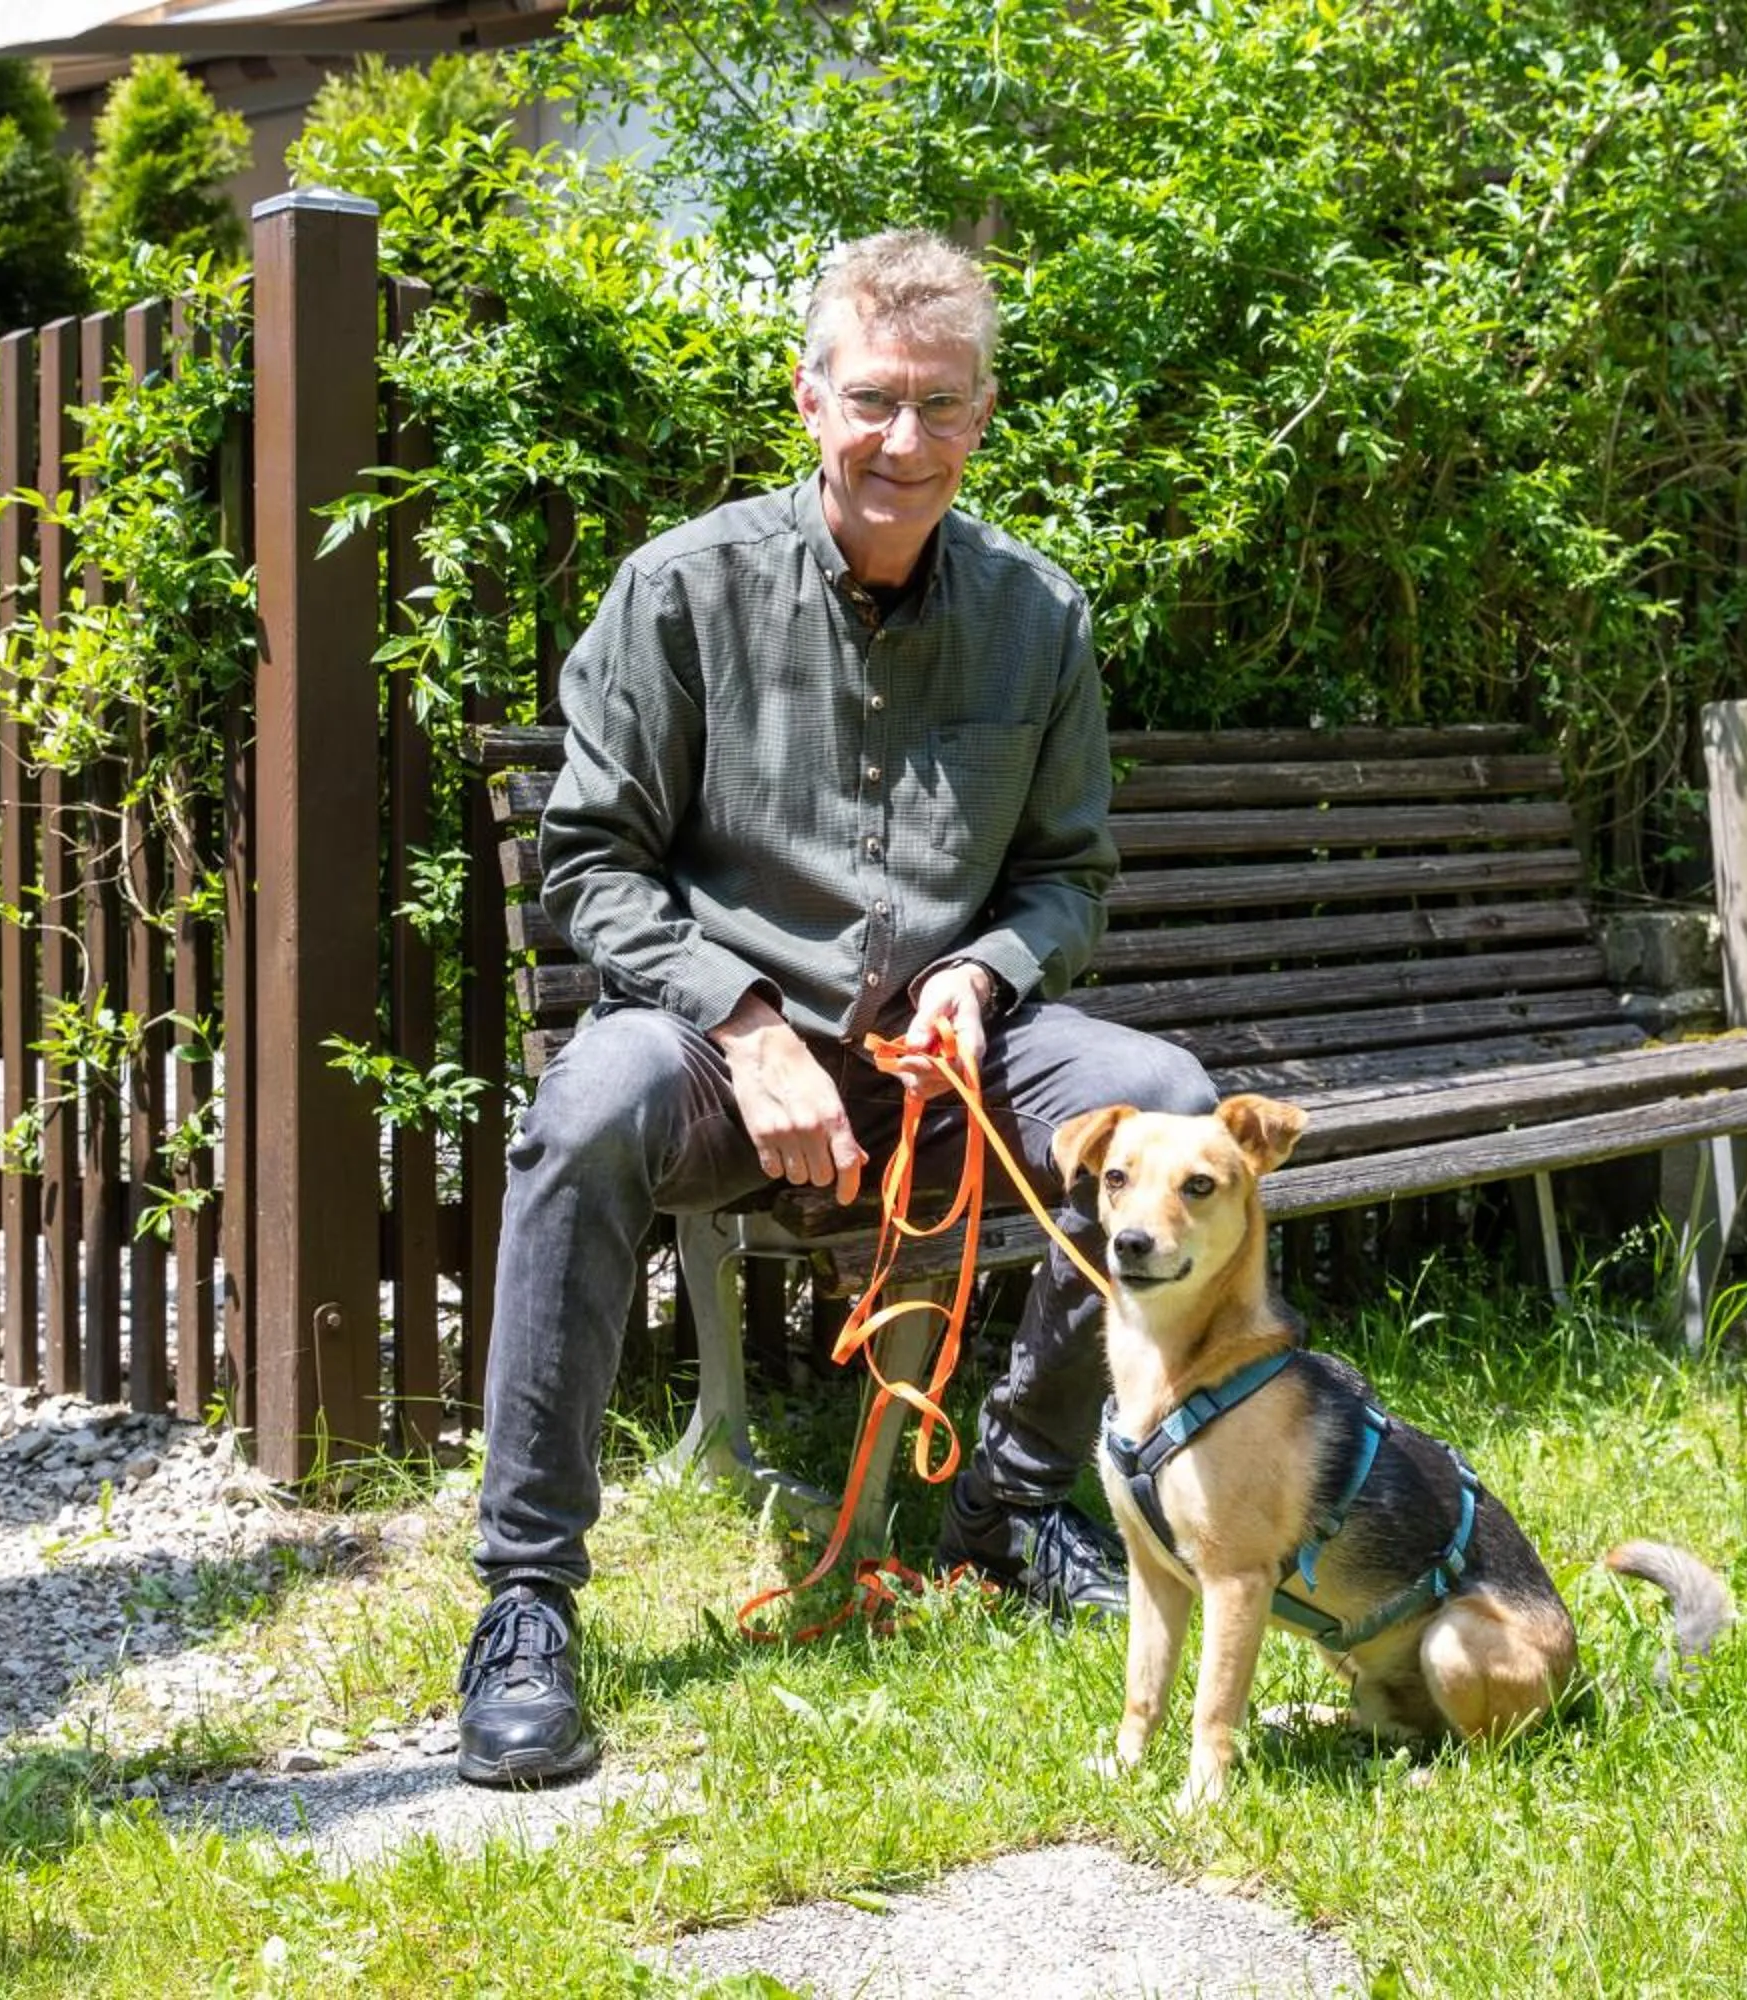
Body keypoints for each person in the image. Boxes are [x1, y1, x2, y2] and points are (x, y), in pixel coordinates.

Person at [457, 228, 1216, 1788]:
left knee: (1159, 1098)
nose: (904, 440)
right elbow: (588, 866)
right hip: (721, 1052)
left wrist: (982, 973)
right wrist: (742, 1025)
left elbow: (1069, 880)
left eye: (941, 407)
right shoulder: (682, 591)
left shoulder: (1040, 618)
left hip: (952, 1061)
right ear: (807, 400)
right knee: (583, 1114)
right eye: (873, 399)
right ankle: (527, 1602)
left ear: (982, 418)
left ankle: (1006, 1507)